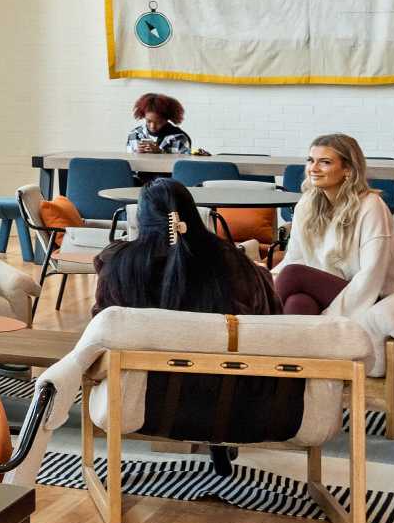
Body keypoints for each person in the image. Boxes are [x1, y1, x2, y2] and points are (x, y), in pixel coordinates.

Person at [92, 178, 301, 441]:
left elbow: (101, 334)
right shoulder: (237, 263)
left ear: (141, 220)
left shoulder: (118, 266)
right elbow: (269, 325)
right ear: (193, 213)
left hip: (145, 405)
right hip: (235, 408)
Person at [273, 132, 394, 318]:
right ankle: (299, 346)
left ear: (348, 170)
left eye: (325, 162)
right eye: (311, 160)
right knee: (299, 302)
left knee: (293, 274)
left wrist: (330, 316)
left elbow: (372, 274)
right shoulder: (307, 204)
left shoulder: (371, 206)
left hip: (373, 296)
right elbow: (296, 257)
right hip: (330, 290)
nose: (313, 168)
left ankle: (254, 327)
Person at [127, 92, 193, 155]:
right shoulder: (134, 135)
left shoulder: (179, 138)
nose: (152, 126)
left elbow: (183, 165)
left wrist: (161, 153)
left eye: (158, 122)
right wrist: (136, 154)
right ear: (143, 116)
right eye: (148, 121)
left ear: (167, 119)